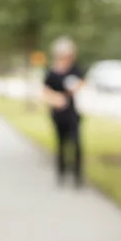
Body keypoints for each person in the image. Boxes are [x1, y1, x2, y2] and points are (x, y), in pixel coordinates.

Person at [42, 37, 85, 186]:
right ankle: (61, 174)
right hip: (58, 113)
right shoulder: (52, 73)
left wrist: (75, 88)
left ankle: (78, 176)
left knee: (77, 143)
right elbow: (45, 91)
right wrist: (57, 98)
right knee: (61, 144)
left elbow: (82, 82)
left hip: (72, 112)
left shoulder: (74, 69)